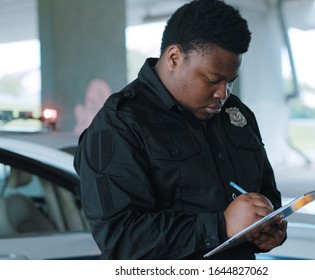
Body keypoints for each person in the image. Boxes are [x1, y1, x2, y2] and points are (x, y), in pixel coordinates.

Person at [74, 0, 287, 260]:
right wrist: (221, 226)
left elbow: (266, 192)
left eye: (230, 82)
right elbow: (121, 240)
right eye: (212, 80)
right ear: (174, 57)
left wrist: (265, 226)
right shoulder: (120, 124)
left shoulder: (236, 116)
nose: (223, 93)